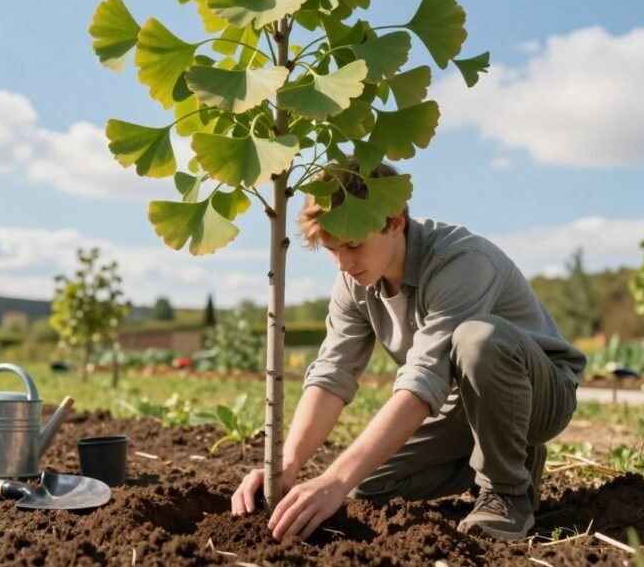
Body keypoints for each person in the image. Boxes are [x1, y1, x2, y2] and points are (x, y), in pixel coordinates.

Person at [230, 159, 587, 541]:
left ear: (396, 221)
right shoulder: (353, 280)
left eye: (353, 245)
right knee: (363, 488)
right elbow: (333, 375)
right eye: (333, 250)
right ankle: (510, 456)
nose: (344, 263)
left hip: (539, 397)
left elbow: (423, 381)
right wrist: (287, 466)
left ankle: (507, 493)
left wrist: (332, 477)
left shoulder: (461, 261)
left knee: (477, 338)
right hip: (461, 405)